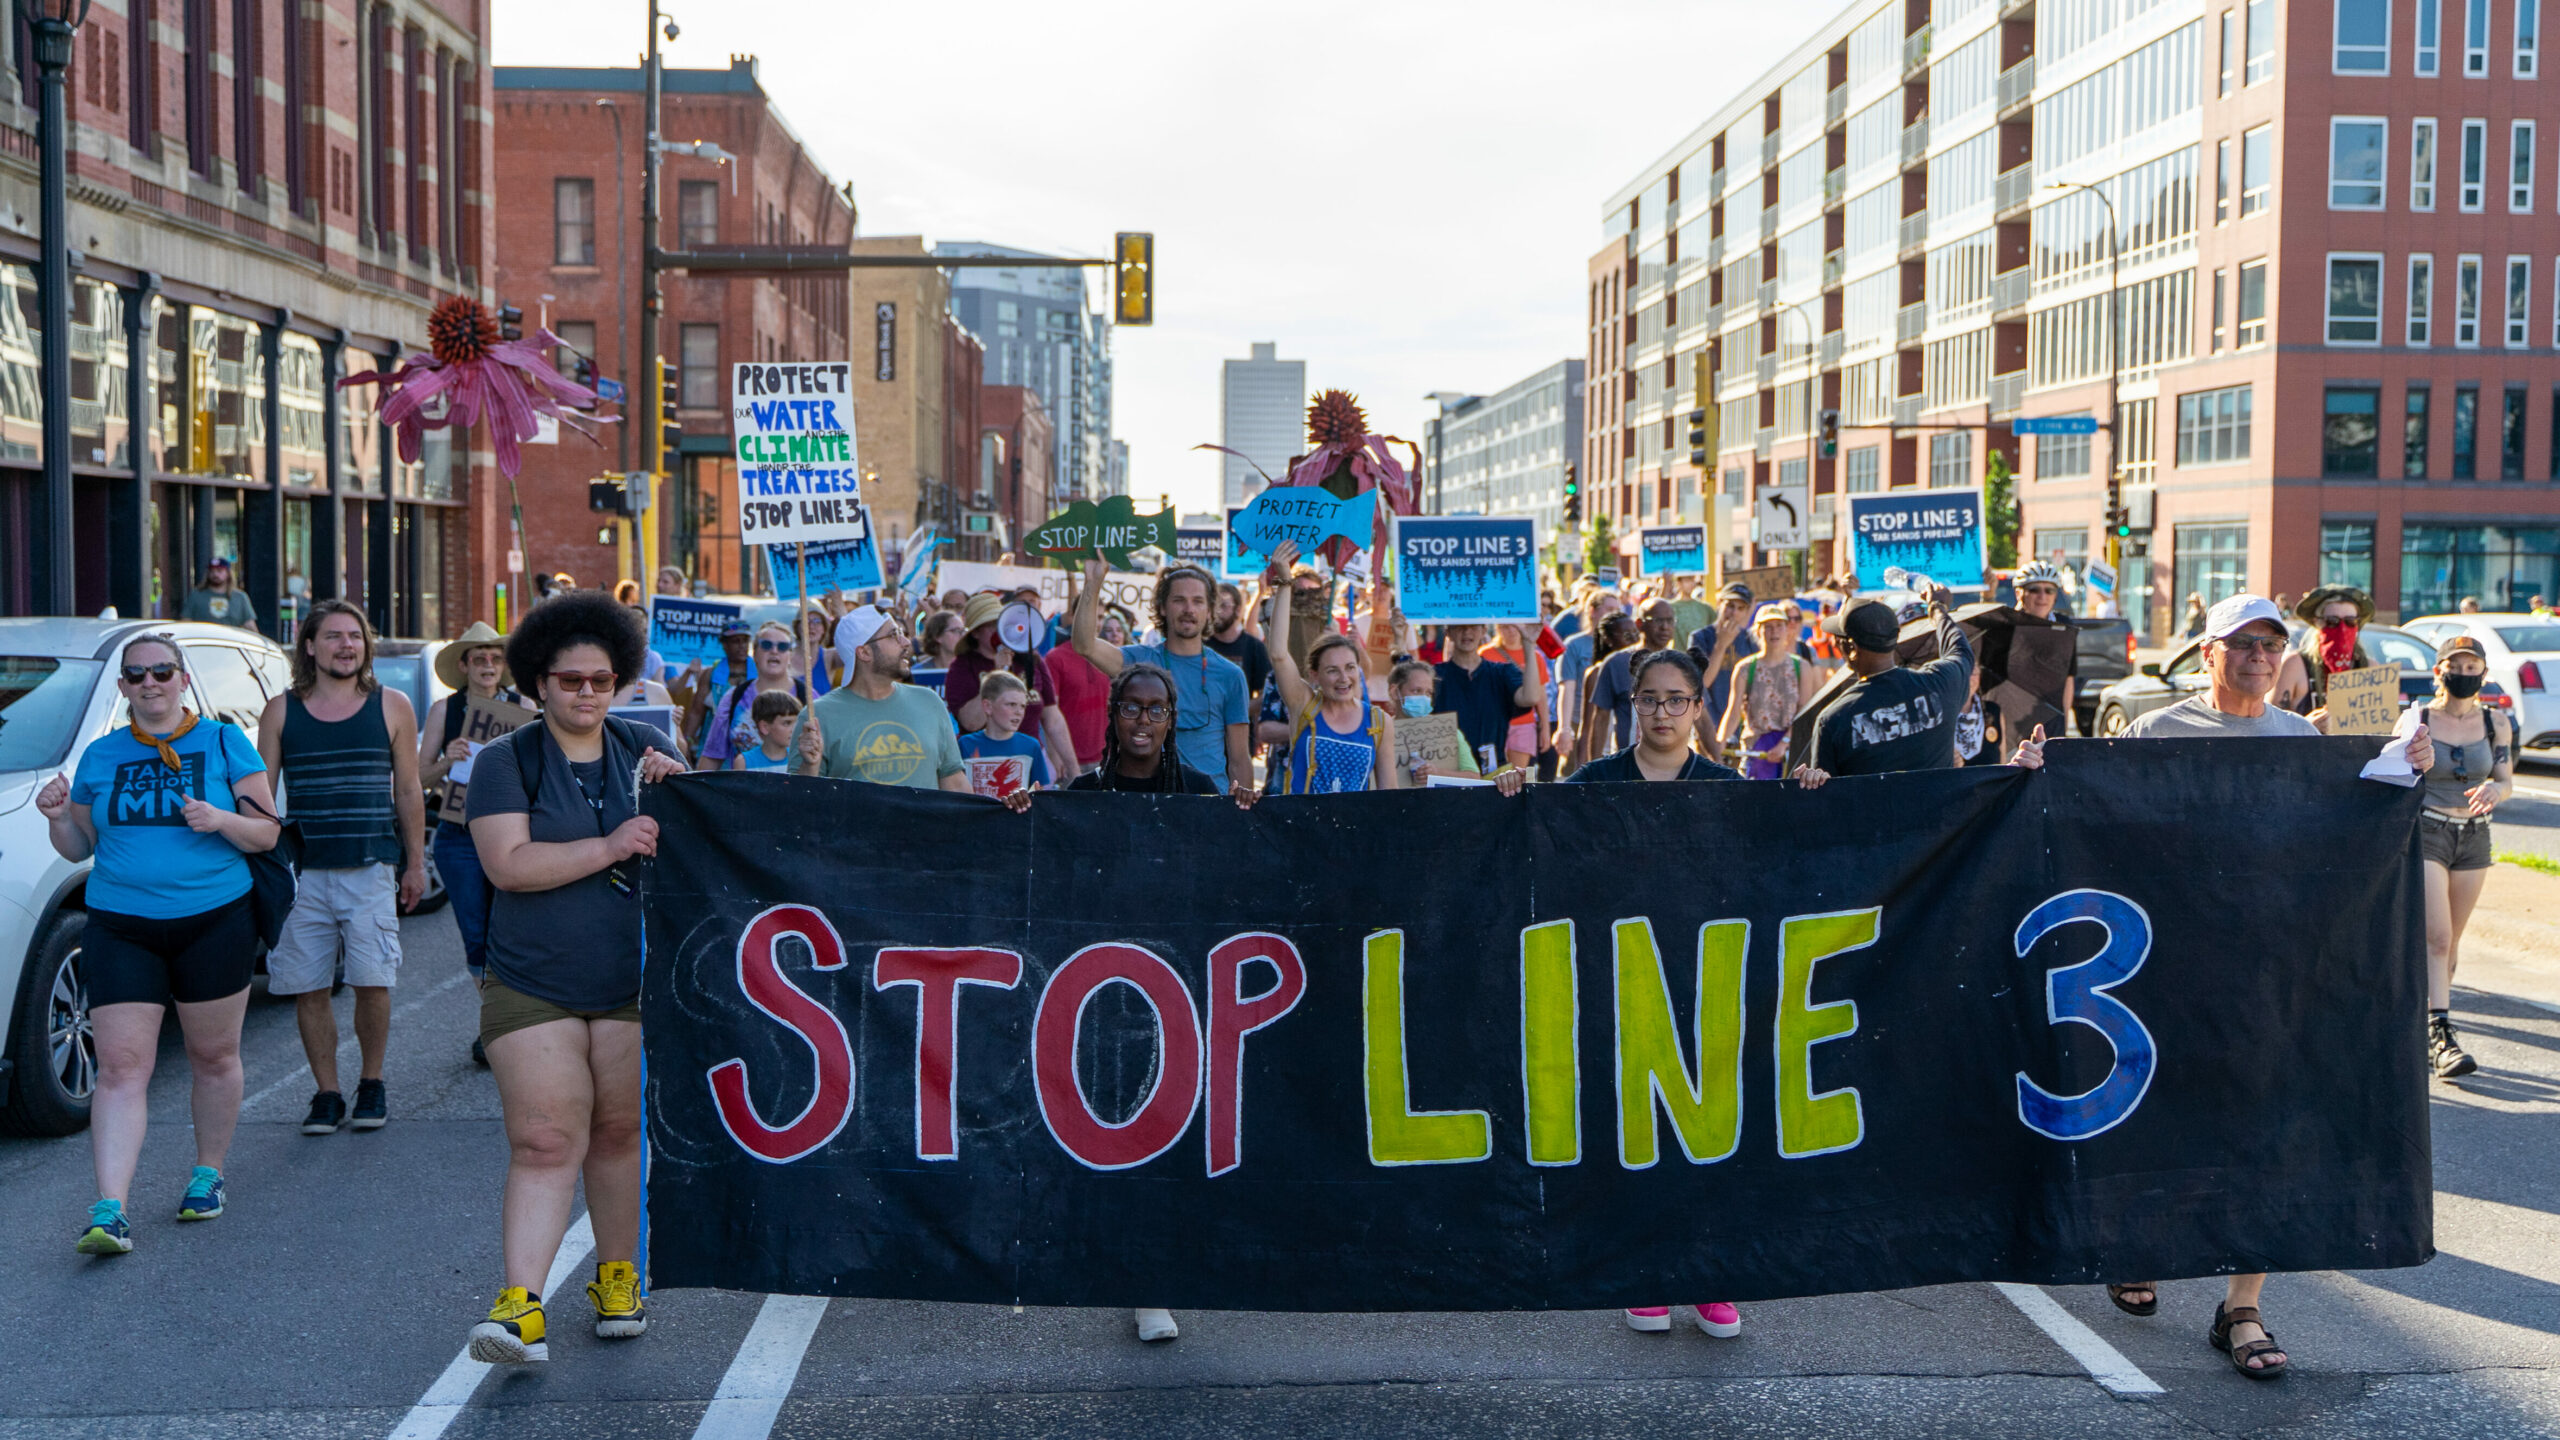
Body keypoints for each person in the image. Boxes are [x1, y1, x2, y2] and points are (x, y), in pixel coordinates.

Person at [2010, 593, 2432, 1380]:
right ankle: (2142, 1245)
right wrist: (2037, 775)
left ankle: (2242, 1306)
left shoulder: (2304, 740)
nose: (2260, 658)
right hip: (2169, 962)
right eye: (2243, 645)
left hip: (2268, 971)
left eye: (2272, 645)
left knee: (2263, 1126)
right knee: (2163, 1108)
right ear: (2208, 653)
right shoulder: (2156, 731)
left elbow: (2346, 834)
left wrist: (2406, 773)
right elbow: (2091, 821)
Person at [462, 591, 686, 1364]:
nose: (586, 693)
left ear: (621, 678)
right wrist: (614, 844)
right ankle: (521, 1306)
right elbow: (510, 866)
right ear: (538, 682)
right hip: (532, 983)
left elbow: (696, 855)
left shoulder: (645, 753)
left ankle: (619, 1277)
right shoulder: (504, 761)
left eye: (601, 679)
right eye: (569, 681)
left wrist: (678, 792)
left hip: (632, 980)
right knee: (546, 1139)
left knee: (621, 1135)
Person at [39, 635, 280, 1255]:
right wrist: (59, 818)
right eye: (136, 674)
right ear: (122, 687)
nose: (150, 683)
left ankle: (207, 1175)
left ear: (182, 680)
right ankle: (110, 1210)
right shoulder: (101, 755)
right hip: (120, 923)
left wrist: (220, 819)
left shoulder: (225, 742)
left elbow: (265, 833)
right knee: (120, 1069)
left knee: (213, 1057)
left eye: (161, 672)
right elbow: (80, 848)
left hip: (214, 919)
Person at [1553, 650, 1739, 1333]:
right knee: (1636, 1131)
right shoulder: (1594, 781)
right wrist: (1515, 792)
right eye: (1650, 699)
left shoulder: (1725, 784)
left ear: (1698, 705)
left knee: (1710, 1129)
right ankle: (1647, 1271)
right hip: (1616, 973)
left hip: (1704, 975)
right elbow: (1535, 843)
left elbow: (1782, 854)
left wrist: (1809, 789)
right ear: (1634, 703)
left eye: (1676, 700)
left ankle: (1711, 1274)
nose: (1662, 713)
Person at [256, 600, 426, 1136]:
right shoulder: (280, 711)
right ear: (310, 646)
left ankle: (370, 1083)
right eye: (333, 636)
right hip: (302, 873)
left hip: (371, 865)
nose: (346, 645)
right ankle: (327, 1091)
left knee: (372, 982)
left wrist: (416, 862)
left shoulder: (392, 706)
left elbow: (408, 790)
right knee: (308, 988)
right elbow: (259, 796)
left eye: (354, 636)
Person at [2409, 636, 2511, 1079]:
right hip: (2428, 829)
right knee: (2436, 937)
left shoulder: (2497, 722)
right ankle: (2441, 1035)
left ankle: (2422, 1023)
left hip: (2474, 836)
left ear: (2483, 674)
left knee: (2450, 946)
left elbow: (2506, 779)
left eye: (2473, 668)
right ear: (2439, 671)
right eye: (2457, 666)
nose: (2464, 675)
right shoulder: (2418, 718)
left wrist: (2496, 790)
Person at [418, 623, 521, 1065]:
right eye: (478, 657)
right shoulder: (447, 710)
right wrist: (448, 758)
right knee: (476, 934)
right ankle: (495, 1022)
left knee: (511, 931)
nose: (487, 665)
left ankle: (512, 1021)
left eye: (495, 657)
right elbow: (418, 779)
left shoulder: (524, 709)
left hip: (512, 834)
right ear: (464, 665)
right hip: (459, 837)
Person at [1070, 558, 1252, 792]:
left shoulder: (1231, 675)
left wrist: (1244, 818)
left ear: (1209, 611)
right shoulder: (1140, 662)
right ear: (1163, 607)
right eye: (1179, 600)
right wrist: (1093, 583)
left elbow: (1239, 759)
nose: (1189, 609)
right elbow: (1084, 645)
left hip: (1207, 804)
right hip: (1151, 801)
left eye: (1198, 601)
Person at [1793, 585, 1971, 786]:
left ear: (1851, 647)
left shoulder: (1834, 720)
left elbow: (1825, 799)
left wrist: (1810, 782)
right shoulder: (1941, 682)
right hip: (1941, 817)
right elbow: (1960, 650)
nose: (1835, 644)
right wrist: (1938, 608)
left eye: (1838, 639)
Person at [790, 606, 969, 790]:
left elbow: (955, 783)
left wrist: (994, 813)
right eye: (893, 635)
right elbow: (798, 801)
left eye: (901, 633)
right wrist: (809, 767)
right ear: (864, 652)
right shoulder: (817, 716)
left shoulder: (930, 702)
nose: (906, 641)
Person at [946, 592, 1076, 781]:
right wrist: (998, 670)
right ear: (975, 632)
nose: (998, 630)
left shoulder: (1031, 660)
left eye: (1001, 623)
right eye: (991, 625)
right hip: (984, 764)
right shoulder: (963, 666)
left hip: (1029, 759)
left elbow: (1052, 717)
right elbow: (970, 722)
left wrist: (1073, 769)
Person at [1267, 614, 1400, 793]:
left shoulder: (1380, 722)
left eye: (1350, 667)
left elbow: (1389, 792)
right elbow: (1278, 654)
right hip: (1300, 819)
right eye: (1332, 671)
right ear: (1315, 674)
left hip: (1354, 820)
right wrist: (1284, 587)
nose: (1344, 678)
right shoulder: (1305, 705)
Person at [694, 622, 808, 771]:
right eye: (766, 645)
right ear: (754, 652)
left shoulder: (808, 697)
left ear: (790, 655)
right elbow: (712, 756)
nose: (774, 651)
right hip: (741, 790)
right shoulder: (734, 697)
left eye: (782, 646)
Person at [1431, 621, 1540, 776]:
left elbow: (1530, 698)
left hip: (1494, 776)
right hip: (1449, 774)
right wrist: (1400, 640)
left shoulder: (1502, 673)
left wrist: (1529, 643)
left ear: (1483, 631)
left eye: (1474, 626)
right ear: (1448, 632)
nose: (1467, 631)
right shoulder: (1434, 676)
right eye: (1459, 626)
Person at [1716, 603, 1811, 778]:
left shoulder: (1801, 667)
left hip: (1790, 750)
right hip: (1756, 749)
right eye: (1768, 627)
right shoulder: (1745, 668)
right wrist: (1718, 744)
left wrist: (1784, 743)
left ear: (1787, 629)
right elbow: (1733, 712)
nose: (1774, 632)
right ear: (1758, 631)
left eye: (1779, 626)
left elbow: (1804, 712)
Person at [1587, 600, 1682, 757]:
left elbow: (1702, 718)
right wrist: (1594, 772)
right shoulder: (1616, 663)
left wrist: (1717, 761)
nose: (1665, 627)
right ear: (1639, 624)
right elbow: (1600, 718)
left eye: (1670, 621)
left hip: (1671, 765)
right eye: (1658, 620)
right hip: (1628, 765)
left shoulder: (1683, 666)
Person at [2275, 585, 2377, 714]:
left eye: (2350, 621)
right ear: (2317, 622)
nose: (2342, 629)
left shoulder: (2370, 669)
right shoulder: (2295, 665)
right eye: (2332, 621)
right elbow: (2271, 724)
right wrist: (2308, 726)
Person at [1552, 588, 1623, 762]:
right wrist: (1565, 728)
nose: (1614, 615)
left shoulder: (1621, 647)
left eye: (1617, 610)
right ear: (1592, 610)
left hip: (1614, 723)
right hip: (1579, 722)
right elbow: (1566, 688)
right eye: (1609, 609)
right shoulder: (1574, 645)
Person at [956, 671, 1052, 797]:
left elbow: (1039, 794)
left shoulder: (1031, 746)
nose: (1019, 712)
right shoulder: (965, 744)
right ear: (988, 706)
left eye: (1023, 706)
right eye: (1011, 704)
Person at [1567, 613, 1640, 773]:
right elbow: (1588, 726)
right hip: (1609, 756)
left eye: (1636, 632)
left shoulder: (1645, 667)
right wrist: (1586, 768)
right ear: (1608, 639)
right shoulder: (1597, 672)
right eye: (1627, 635)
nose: (1634, 638)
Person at [1206, 581, 1275, 706]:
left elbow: (1265, 694)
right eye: (1213, 606)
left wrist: (1236, 713)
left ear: (1238, 610)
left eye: (1223, 606)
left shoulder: (1253, 647)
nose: (1218, 612)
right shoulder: (1200, 644)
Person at [732, 690, 803, 772]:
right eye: (787, 723)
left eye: (796, 723)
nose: (794, 729)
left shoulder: (798, 759)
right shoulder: (744, 762)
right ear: (764, 727)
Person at [181, 557, 258, 629]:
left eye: (219, 571)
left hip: (230, 641)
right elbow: (186, 622)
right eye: (212, 571)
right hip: (203, 640)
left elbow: (250, 625)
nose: (215, 574)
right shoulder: (196, 595)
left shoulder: (240, 597)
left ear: (228, 573)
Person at [916, 608, 966, 672]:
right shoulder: (919, 672)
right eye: (956, 631)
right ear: (937, 636)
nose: (962, 635)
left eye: (963, 631)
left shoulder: (971, 670)